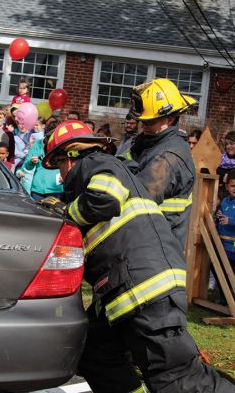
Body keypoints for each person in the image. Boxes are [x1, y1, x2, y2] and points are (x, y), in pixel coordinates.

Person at [41, 120, 234, 393]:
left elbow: (105, 200)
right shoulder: (104, 168)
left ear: (70, 157)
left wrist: (64, 211)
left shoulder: (94, 163)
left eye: (58, 165)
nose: (61, 175)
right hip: (125, 289)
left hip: (146, 289)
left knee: (176, 378)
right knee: (97, 356)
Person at [122, 78, 197, 250]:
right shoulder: (149, 143)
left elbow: (137, 196)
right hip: (145, 239)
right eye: (141, 121)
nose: (143, 126)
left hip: (158, 250)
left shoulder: (170, 157)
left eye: (149, 122)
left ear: (169, 119)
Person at [16, 121, 63, 199]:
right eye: (49, 136)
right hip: (38, 188)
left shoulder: (63, 146)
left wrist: (65, 176)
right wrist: (31, 162)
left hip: (57, 189)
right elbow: (25, 167)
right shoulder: (38, 144)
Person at [216, 170, 235, 271]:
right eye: (233, 186)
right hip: (223, 245)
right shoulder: (224, 201)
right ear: (227, 187)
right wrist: (219, 215)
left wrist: (230, 220)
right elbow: (221, 215)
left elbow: (228, 219)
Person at [217, 131, 235, 200]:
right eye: (227, 144)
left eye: (232, 144)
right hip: (219, 195)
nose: (228, 146)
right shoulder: (220, 158)